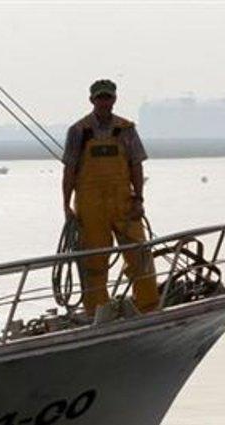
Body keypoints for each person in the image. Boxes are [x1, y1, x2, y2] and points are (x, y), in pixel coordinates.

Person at [62, 79, 159, 317]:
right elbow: (69, 170)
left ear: (114, 99)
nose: (104, 102)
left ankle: (148, 307)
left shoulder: (126, 129)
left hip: (124, 203)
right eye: (99, 98)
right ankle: (98, 312)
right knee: (94, 262)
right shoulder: (78, 131)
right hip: (90, 205)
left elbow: (136, 165)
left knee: (140, 256)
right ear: (92, 100)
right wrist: (66, 206)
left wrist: (139, 199)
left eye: (108, 97)